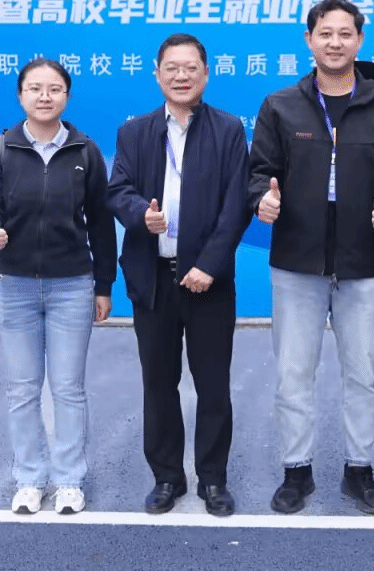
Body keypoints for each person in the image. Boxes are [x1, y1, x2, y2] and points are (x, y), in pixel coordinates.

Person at [249, 0, 374, 515]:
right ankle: (296, 471)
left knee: (362, 374)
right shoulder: (281, 105)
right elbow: (259, 172)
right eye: (325, 33)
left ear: (359, 40)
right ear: (309, 40)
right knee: (293, 374)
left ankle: (358, 471)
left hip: (362, 263)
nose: (335, 42)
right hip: (296, 261)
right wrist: (262, 200)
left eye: (345, 33)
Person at [107, 33, 251, 517]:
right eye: (172, 68)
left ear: (206, 74)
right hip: (153, 279)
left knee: (213, 387)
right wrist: (139, 215)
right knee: (159, 384)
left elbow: (236, 205)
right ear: (157, 74)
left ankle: (213, 479)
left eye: (191, 68)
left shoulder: (228, 130)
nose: (181, 76)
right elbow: (118, 189)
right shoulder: (134, 132)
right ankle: (167, 477)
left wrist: (209, 265)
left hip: (209, 283)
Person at [0, 58, 116, 515]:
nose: (45, 96)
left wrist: (104, 285)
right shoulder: (0, 149)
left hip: (72, 285)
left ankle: (69, 480)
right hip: (13, 286)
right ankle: (30, 479)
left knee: (68, 388)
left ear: (67, 96)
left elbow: (102, 224)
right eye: (35, 88)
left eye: (54, 89)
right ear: (21, 96)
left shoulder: (85, 152)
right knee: (23, 389)